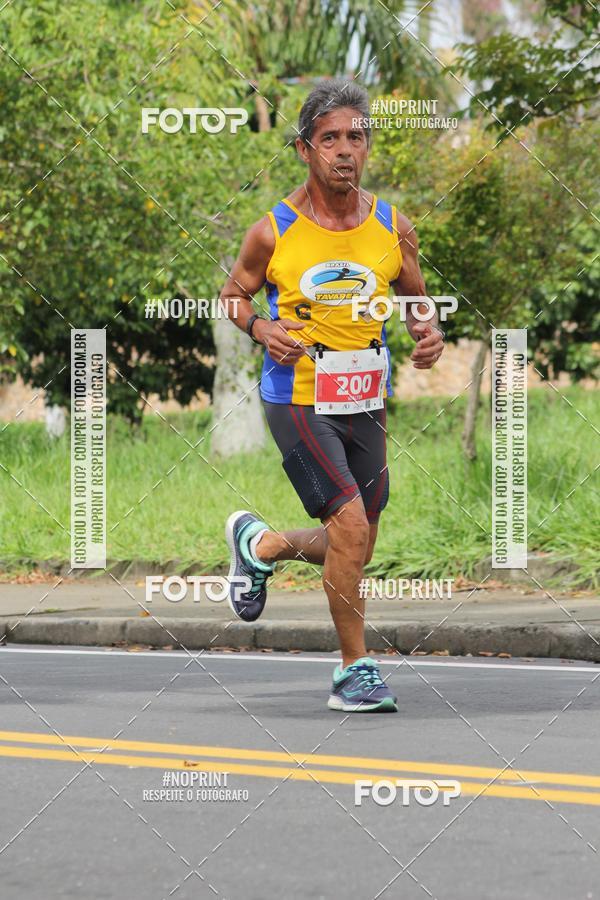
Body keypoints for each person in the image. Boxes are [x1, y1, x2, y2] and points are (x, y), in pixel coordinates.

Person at [220, 79, 444, 712]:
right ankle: (354, 672)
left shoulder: (392, 225)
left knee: (359, 541)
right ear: (303, 149)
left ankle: (259, 545)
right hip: (296, 394)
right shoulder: (274, 230)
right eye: (330, 139)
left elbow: (416, 297)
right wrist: (262, 327)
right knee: (347, 523)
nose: (345, 150)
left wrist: (428, 331)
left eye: (356, 137)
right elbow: (233, 297)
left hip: (365, 395)